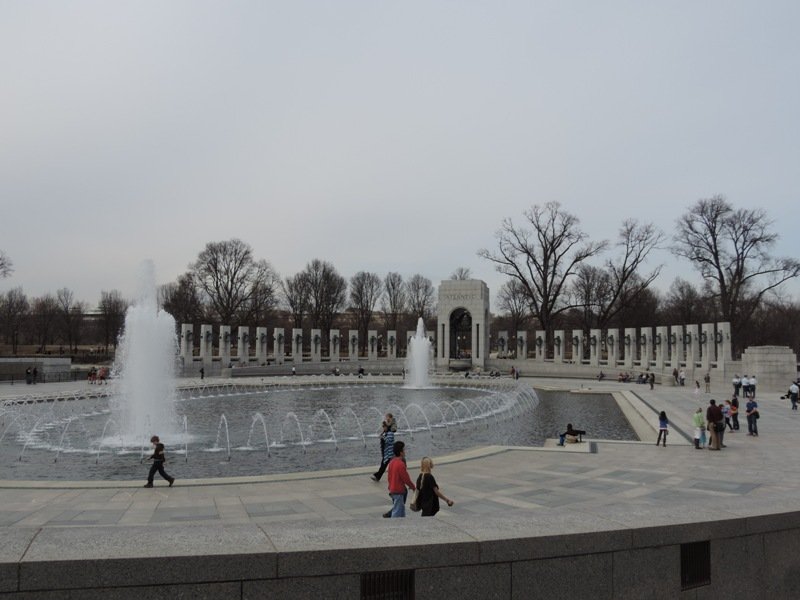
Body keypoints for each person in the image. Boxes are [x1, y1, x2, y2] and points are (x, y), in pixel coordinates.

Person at [386, 441, 415, 518]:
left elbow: (389, 476)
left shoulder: (392, 462)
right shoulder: (400, 464)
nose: (405, 451)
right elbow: (406, 478)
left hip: (393, 489)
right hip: (398, 491)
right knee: (396, 513)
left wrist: (390, 486)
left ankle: (402, 526)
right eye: (404, 450)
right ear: (401, 452)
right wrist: (413, 487)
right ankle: (393, 528)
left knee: (401, 512)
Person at [371, 414, 396, 482]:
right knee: (384, 466)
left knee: (384, 466)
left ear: (387, 427)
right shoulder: (387, 433)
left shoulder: (390, 433)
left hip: (389, 454)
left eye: (384, 427)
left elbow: (388, 441)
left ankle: (377, 476)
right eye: (383, 427)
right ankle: (377, 476)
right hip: (387, 453)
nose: (383, 428)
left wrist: (382, 437)